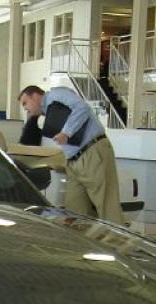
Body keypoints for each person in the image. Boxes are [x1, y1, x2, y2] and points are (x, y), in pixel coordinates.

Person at [17, 85, 124, 225]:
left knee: (107, 207)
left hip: (91, 151)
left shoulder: (55, 95)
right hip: (74, 161)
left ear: (35, 96)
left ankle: (117, 244)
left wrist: (66, 132)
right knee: (75, 213)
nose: (25, 108)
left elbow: (82, 108)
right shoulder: (48, 113)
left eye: (25, 102)